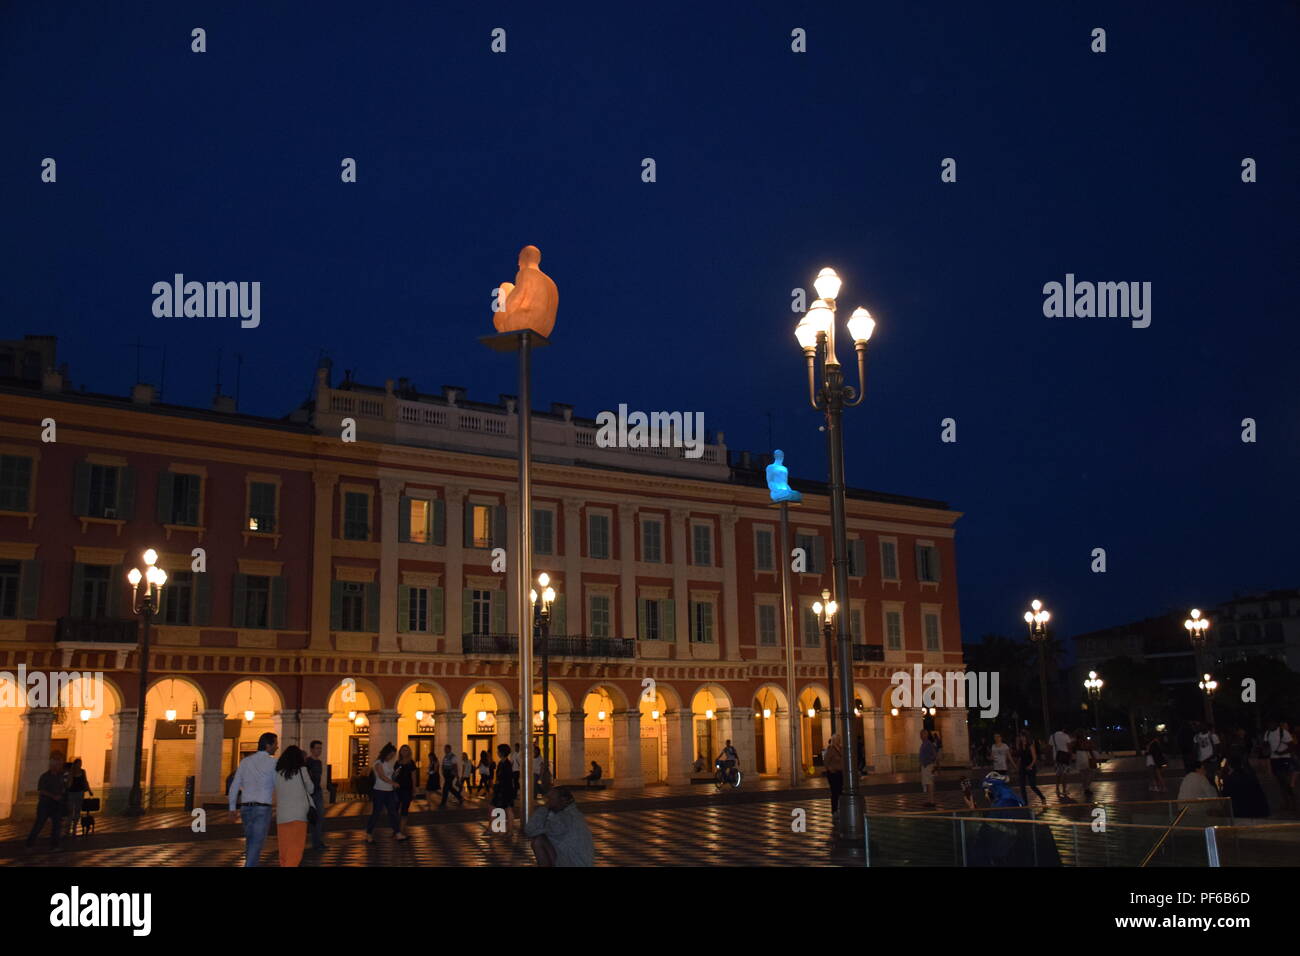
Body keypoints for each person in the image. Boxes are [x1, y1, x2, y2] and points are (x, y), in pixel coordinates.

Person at [229, 732, 279, 866]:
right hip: (262, 808)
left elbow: (235, 785)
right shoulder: (273, 763)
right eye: (275, 743)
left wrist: (232, 808)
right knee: (256, 843)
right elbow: (278, 784)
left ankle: (251, 863)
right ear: (268, 745)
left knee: (250, 841)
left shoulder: (245, 761)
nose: (277, 746)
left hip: (246, 807)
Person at [525, 786, 595, 866]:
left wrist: (544, 808)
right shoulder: (572, 814)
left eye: (550, 799)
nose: (547, 802)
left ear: (563, 800)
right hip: (574, 861)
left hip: (573, 863)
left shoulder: (565, 818)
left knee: (538, 841)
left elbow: (530, 830)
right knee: (539, 839)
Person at [273, 745, 315, 867]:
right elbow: (311, 789)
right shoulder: (302, 770)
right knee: (295, 848)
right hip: (299, 814)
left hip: (282, 816)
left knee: (284, 848)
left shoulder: (278, 773)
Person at [365, 743, 407, 843]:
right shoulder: (378, 763)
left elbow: (390, 776)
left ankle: (398, 833)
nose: (392, 756)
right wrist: (393, 782)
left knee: (393, 812)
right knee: (376, 813)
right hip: (379, 791)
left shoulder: (388, 763)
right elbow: (381, 776)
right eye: (391, 754)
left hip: (389, 791)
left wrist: (396, 775)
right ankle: (369, 834)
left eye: (393, 755)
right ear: (386, 753)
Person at [25, 753, 67, 851]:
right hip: (45, 804)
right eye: (58, 764)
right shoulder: (45, 776)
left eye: (61, 764)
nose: (60, 766)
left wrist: (62, 794)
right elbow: (42, 790)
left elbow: (64, 787)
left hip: (56, 804)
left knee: (57, 825)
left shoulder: (61, 776)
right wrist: (53, 796)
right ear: (53, 764)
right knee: (39, 824)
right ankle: (29, 844)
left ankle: (55, 845)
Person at [1264, 719, 1295, 811]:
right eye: (1269, 723)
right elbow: (1265, 745)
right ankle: (1287, 802)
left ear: (1276, 723)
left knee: (1284, 780)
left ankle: (1291, 801)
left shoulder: (1283, 732)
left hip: (1284, 758)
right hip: (1274, 759)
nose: (1270, 724)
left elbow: (1292, 745)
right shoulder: (1268, 733)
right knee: (1280, 781)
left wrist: (1282, 752)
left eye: (1272, 723)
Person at [490, 743, 518, 834]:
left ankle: (506, 829)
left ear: (502, 752)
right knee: (504, 808)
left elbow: (506, 778)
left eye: (498, 751)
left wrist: (498, 786)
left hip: (505, 790)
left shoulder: (506, 764)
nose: (497, 752)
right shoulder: (502, 763)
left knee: (505, 808)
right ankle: (507, 829)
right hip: (503, 789)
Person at [305, 740, 327, 849]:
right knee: (312, 817)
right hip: (310, 792)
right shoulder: (308, 762)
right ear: (312, 749)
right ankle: (315, 841)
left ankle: (317, 841)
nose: (319, 750)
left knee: (319, 817)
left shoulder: (319, 762)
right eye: (317, 748)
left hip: (318, 791)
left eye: (320, 748)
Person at [1015, 731, 1046, 805]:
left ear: (1026, 737)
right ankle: (1025, 803)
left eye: (1023, 736)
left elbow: (1034, 757)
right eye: (1021, 737)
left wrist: (1030, 766)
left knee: (1032, 785)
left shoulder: (1030, 745)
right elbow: (1020, 757)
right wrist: (1017, 766)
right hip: (1022, 767)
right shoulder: (1019, 745)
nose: (1022, 738)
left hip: (1030, 767)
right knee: (1022, 786)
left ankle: (1042, 797)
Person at [65, 758, 92, 837]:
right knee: (70, 811)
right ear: (75, 764)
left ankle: (74, 827)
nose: (80, 765)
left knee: (77, 811)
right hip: (71, 792)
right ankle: (68, 827)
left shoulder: (83, 772)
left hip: (80, 792)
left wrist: (89, 790)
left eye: (81, 763)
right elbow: (68, 783)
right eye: (79, 763)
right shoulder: (71, 772)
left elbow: (85, 781)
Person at [394, 745, 418, 830]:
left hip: (407, 789)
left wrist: (414, 789)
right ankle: (396, 830)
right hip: (397, 789)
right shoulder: (397, 763)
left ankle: (401, 829)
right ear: (400, 752)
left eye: (407, 750)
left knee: (404, 809)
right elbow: (394, 775)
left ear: (409, 752)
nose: (405, 752)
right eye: (403, 750)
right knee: (395, 809)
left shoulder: (411, 763)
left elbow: (413, 777)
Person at [823, 733, 845, 812]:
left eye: (839, 739)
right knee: (835, 792)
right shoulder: (830, 749)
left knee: (841, 792)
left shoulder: (841, 749)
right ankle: (834, 810)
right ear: (833, 740)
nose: (838, 741)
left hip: (841, 773)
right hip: (833, 774)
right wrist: (830, 769)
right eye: (836, 739)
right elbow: (826, 761)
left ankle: (841, 809)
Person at [1050, 724, 1073, 800]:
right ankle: (1064, 790)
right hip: (1065, 758)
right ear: (1063, 729)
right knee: (1065, 774)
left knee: (1058, 774)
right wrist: (1071, 757)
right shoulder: (1066, 736)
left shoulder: (1052, 736)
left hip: (1056, 758)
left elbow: (1050, 746)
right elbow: (1069, 747)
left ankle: (1057, 789)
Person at [919, 730, 938, 807]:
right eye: (920, 734)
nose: (921, 736)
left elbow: (934, 755)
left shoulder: (928, 743)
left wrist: (927, 762)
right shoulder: (924, 743)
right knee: (927, 783)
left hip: (928, 766)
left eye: (922, 734)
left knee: (929, 783)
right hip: (925, 766)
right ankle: (929, 800)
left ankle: (932, 801)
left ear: (926, 735)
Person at [1074, 730, 1095, 797]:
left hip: (1078, 756)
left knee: (1083, 773)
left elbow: (1072, 750)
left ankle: (1085, 788)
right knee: (1090, 772)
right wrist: (1093, 757)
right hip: (1084, 756)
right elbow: (1090, 749)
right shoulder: (1085, 741)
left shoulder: (1075, 742)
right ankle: (1086, 788)